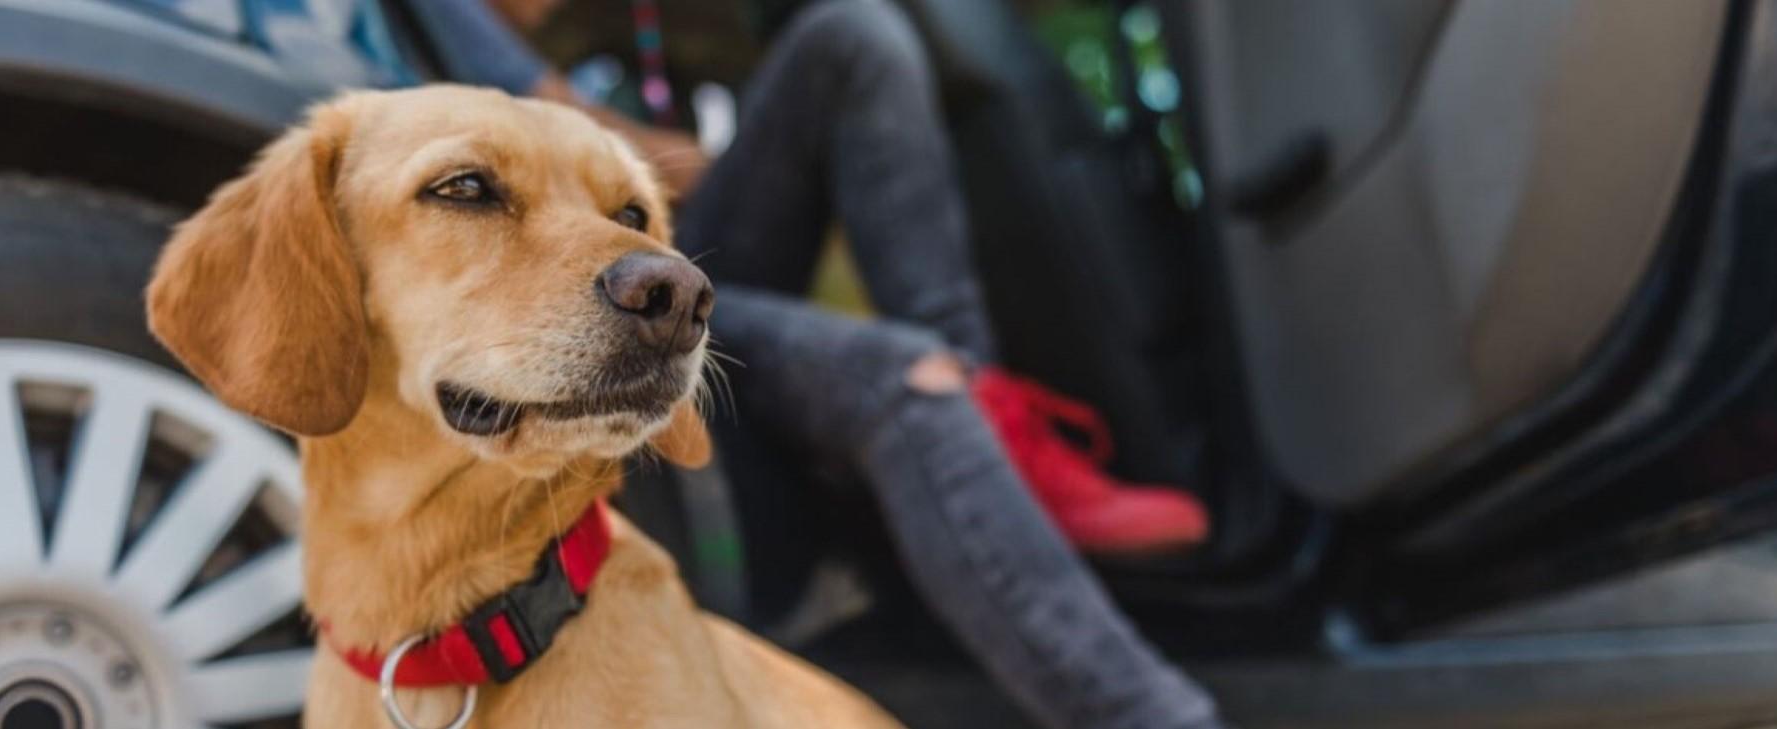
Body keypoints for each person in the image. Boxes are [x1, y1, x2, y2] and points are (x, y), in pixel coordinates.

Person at [406, 0, 1226, 727]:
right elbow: (565, 143)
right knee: (896, 375)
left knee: (850, 31)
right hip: (567, 290)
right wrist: (672, 158)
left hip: (659, 257)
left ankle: (983, 406)